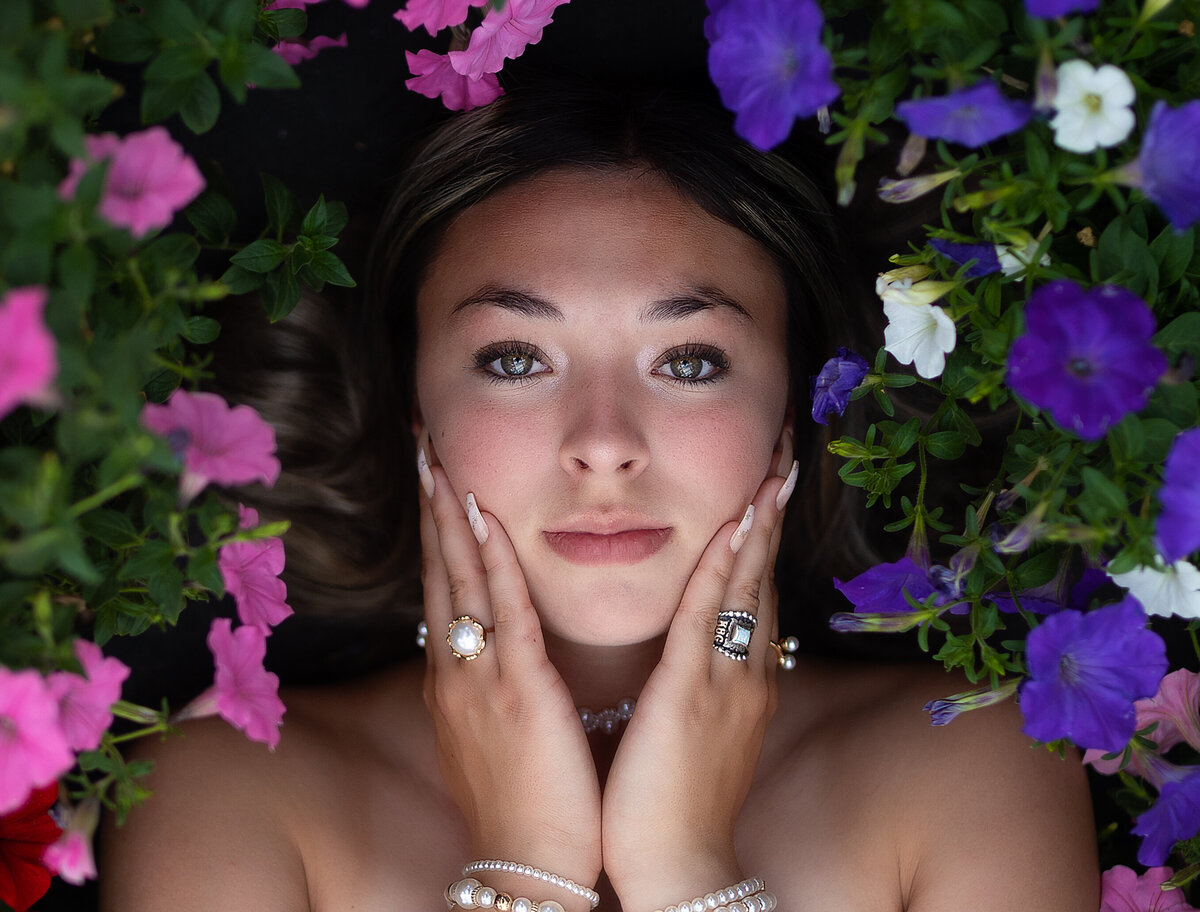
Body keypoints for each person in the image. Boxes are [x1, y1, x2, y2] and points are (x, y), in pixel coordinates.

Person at [99, 87, 1098, 912]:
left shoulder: (975, 771)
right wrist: (520, 862)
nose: (605, 443)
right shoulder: (230, 795)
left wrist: (688, 869)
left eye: (691, 360)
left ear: (791, 412)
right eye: (517, 357)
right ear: (416, 410)